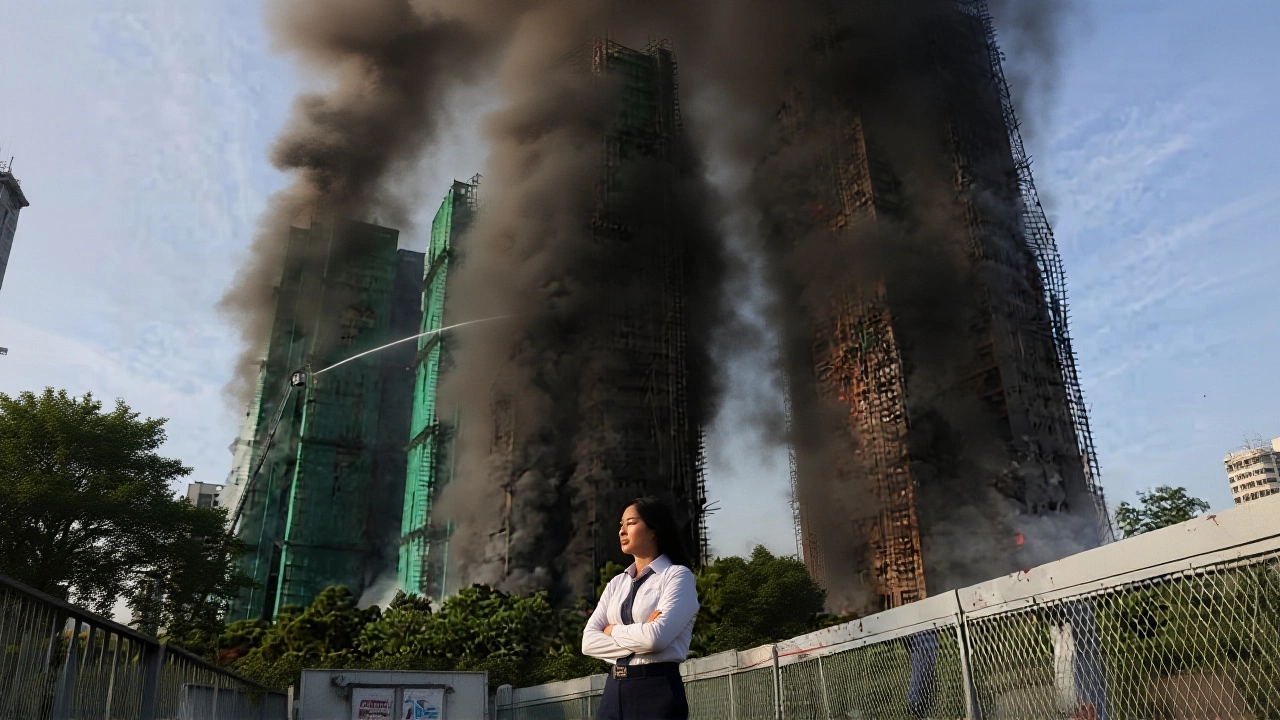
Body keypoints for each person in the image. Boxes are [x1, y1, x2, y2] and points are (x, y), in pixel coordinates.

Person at [582, 497, 700, 720]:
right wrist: (642, 633)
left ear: (654, 530)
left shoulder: (677, 577)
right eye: (621, 525)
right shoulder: (616, 583)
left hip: (657, 689)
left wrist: (612, 630)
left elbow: (656, 639)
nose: (622, 531)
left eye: (631, 523)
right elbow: (588, 642)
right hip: (613, 690)